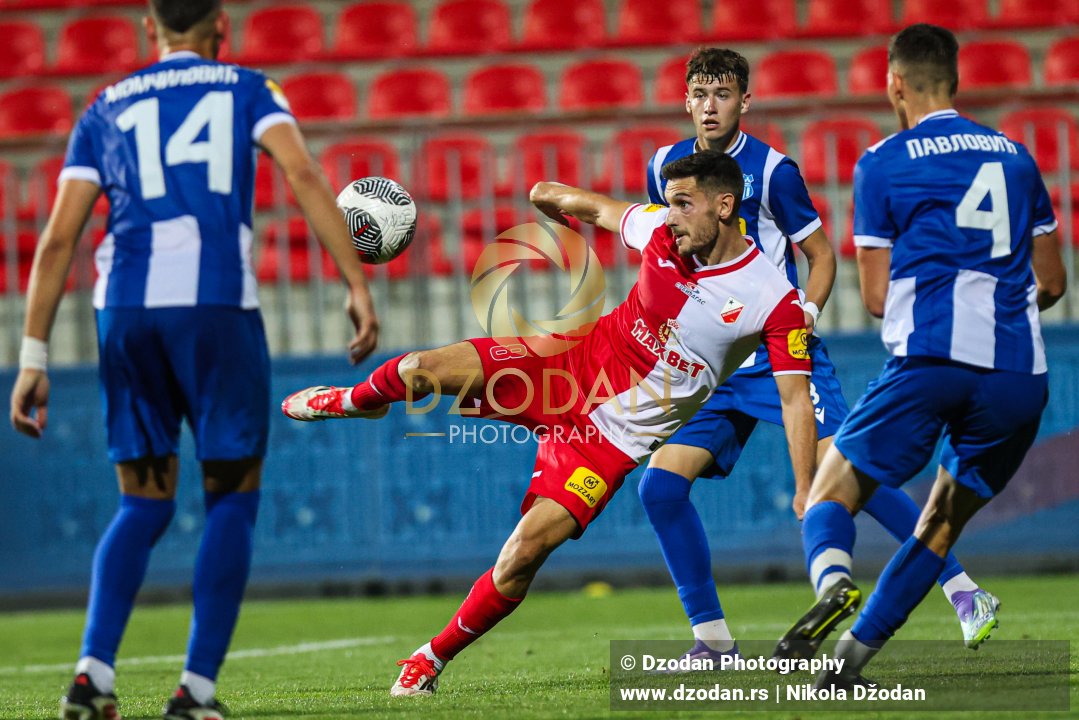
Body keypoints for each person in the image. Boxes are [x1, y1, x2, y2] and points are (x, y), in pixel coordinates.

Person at [281, 151, 817, 696]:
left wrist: (804, 488)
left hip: (608, 441)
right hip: (561, 367)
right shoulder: (659, 227)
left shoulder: (772, 299)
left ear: (724, 207)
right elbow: (593, 207)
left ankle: (430, 658)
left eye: (684, 204)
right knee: (419, 369)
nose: (671, 216)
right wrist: (547, 194)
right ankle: (357, 399)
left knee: (522, 556)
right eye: (669, 203)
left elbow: (795, 399)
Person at [8, 2, 380, 718]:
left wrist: (33, 355)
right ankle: (196, 692)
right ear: (221, 27)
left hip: (125, 311)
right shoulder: (246, 87)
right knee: (231, 496)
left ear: (150, 29)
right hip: (213, 307)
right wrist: (356, 283)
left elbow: (56, 239)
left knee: (141, 503)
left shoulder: (103, 107)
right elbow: (302, 173)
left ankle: (91, 675)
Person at [640, 47, 998, 661]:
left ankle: (965, 591)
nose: (709, 106)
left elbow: (822, 255)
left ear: (744, 100)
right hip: (712, 360)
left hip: (776, 351)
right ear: (685, 100)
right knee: (660, 489)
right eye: (699, 94)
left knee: (851, 477)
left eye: (722, 94)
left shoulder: (773, 171)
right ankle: (713, 641)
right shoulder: (665, 167)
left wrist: (803, 312)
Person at [773, 24, 1066, 688]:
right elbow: (1051, 283)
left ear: (894, 84)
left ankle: (834, 582)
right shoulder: (1017, 157)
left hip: (930, 360)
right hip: (1018, 375)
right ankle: (847, 665)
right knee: (938, 525)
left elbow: (877, 298)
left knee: (827, 491)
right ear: (955, 82)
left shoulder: (881, 162)